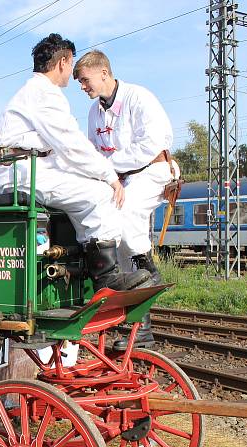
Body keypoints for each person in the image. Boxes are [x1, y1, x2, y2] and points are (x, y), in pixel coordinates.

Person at [0, 33, 151, 292]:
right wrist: (109, 176)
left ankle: (90, 267)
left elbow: (65, 149)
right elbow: (72, 145)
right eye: (71, 63)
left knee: (91, 189)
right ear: (63, 62)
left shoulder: (33, 92)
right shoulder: (44, 94)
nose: (72, 75)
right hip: (25, 171)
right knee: (102, 195)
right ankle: (105, 278)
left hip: (27, 168)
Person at [74, 49, 179, 348]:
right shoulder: (94, 111)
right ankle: (141, 325)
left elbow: (154, 141)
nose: (83, 87)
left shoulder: (138, 97)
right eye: (80, 82)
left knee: (126, 214)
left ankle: (150, 275)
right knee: (106, 230)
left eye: (85, 80)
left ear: (104, 73)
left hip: (152, 170)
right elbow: (94, 151)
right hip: (120, 178)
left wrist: (111, 167)